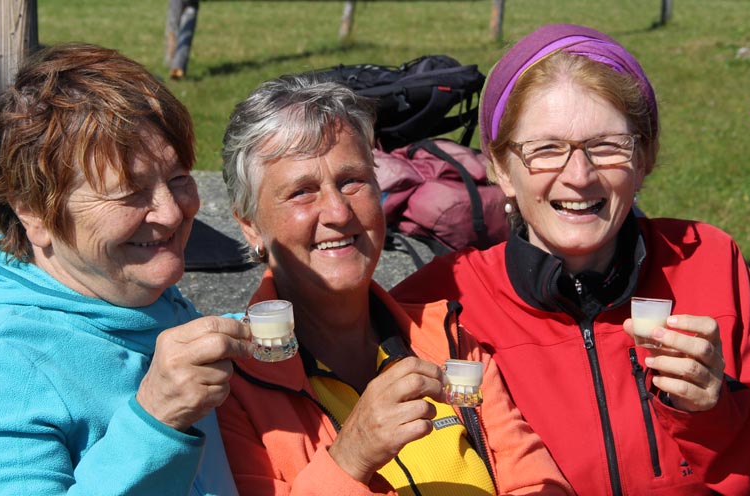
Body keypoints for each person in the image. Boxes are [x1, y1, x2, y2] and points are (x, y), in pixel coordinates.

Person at [391, 23, 750, 495]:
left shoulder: (708, 261)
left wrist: (714, 411)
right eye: (546, 149)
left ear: (644, 157)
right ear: (501, 169)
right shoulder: (439, 301)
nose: (579, 176)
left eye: (606, 146)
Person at [0, 43, 252, 495]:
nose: (172, 212)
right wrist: (156, 420)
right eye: (129, 192)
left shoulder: (131, 300)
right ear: (34, 213)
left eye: (177, 178)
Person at [216, 74, 573, 495]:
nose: (338, 212)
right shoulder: (231, 386)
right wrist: (351, 457)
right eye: (302, 192)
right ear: (250, 226)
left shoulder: (449, 341)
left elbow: (537, 482)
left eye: (352, 180)